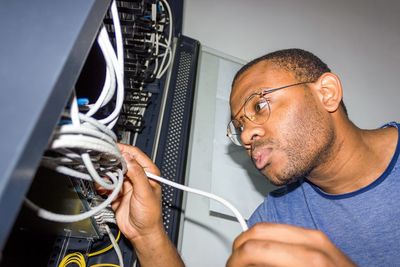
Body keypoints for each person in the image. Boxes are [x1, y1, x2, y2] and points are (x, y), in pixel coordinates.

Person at [112, 49, 400, 266]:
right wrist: (147, 234)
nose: (247, 135)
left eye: (259, 105)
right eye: (239, 128)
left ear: (327, 93)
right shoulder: (276, 218)